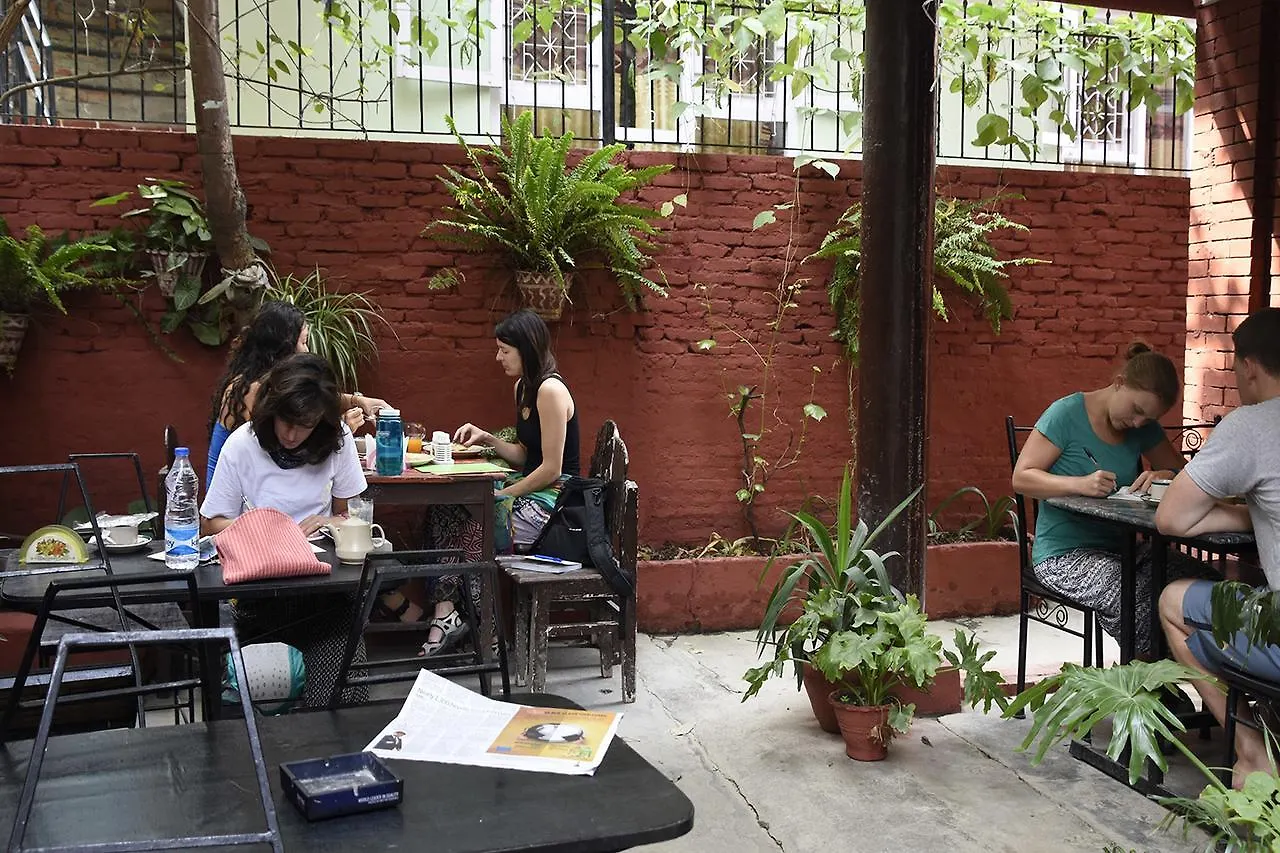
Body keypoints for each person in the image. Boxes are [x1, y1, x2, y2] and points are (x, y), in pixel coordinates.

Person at [1012, 342, 1204, 658]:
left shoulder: (1143, 427)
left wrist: (1164, 475)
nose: (1139, 423)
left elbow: (1183, 473)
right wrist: (1080, 484)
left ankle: (1207, 672)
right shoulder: (1066, 414)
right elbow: (1021, 478)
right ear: (1119, 383)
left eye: (1148, 419)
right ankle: (1151, 679)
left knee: (1201, 582)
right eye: (1137, 410)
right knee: (1133, 595)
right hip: (1064, 555)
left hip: (1125, 549)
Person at [200, 352, 369, 707]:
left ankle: (333, 731)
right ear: (270, 409)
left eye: (305, 424)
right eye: (285, 421)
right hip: (256, 594)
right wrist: (268, 529)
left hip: (323, 590)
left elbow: (352, 513)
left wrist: (330, 522)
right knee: (229, 694)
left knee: (341, 683)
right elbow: (211, 522)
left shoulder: (336, 440)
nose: (292, 434)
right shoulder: (243, 444)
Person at [1157, 308, 1280, 788]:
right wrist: (1256, 511)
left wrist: (1241, 511)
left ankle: (1251, 753)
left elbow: (1171, 518)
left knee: (1173, 600)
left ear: (1248, 366)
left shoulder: (1252, 425)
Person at [420, 309, 581, 657]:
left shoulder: (551, 390)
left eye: (505, 350)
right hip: (529, 487)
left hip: (553, 502)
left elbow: (551, 469)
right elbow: (524, 455)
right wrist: (488, 439)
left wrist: (503, 494)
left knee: (477, 529)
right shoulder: (523, 387)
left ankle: (487, 632)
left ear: (527, 349)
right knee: (442, 509)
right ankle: (447, 613)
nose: (498, 357)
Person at [207, 300, 387, 488]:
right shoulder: (251, 391)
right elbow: (281, 456)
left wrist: (357, 400)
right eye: (303, 342)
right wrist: (337, 432)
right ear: (283, 348)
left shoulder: (260, 383)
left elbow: (311, 399)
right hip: (239, 495)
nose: (307, 350)